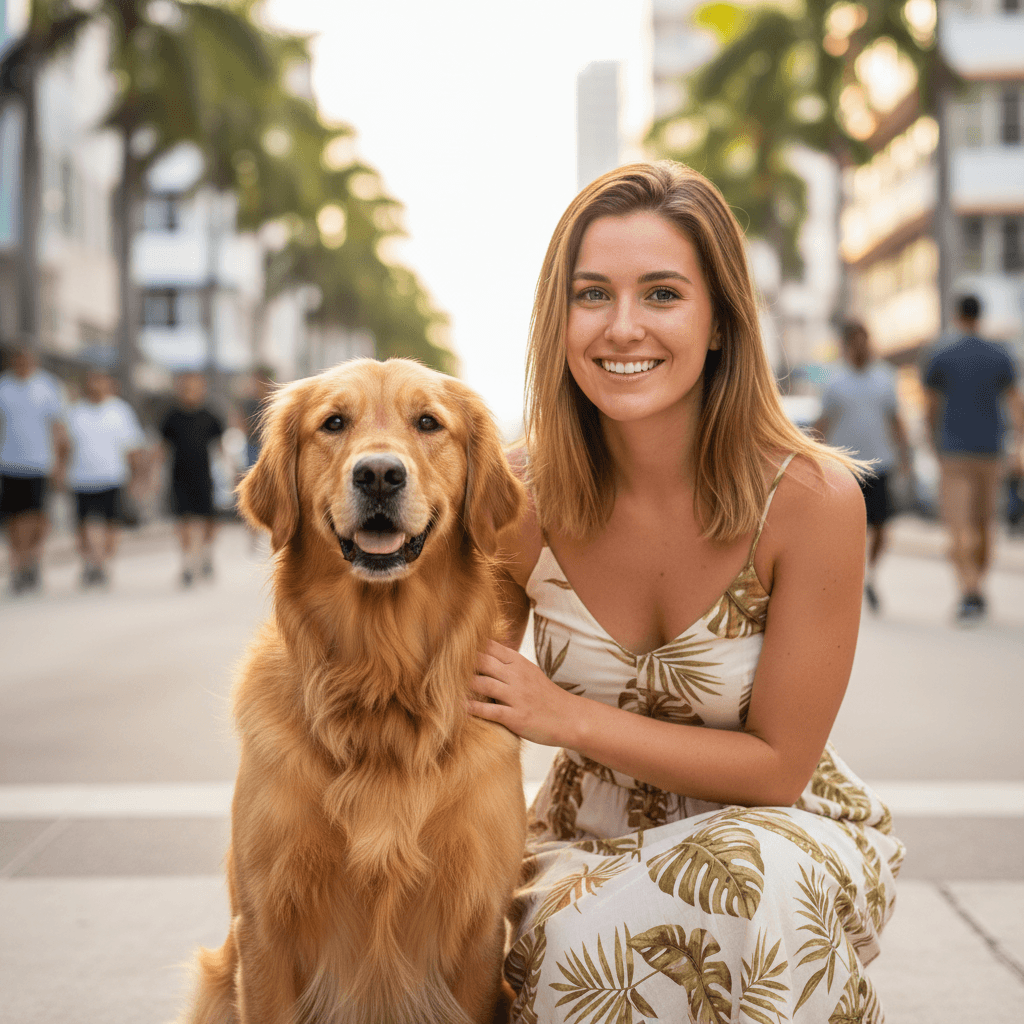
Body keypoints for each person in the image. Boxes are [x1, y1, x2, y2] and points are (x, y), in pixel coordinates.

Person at [468, 162, 904, 1023]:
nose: (622, 327)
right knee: (568, 945)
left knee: (751, 879)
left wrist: (564, 716)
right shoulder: (517, 499)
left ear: (718, 323)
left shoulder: (812, 502)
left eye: (662, 294)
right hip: (587, 844)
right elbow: (448, 682)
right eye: (592, 295)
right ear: (560, 322)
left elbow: (779, 768)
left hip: (783, 836)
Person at [923, 294, 1024, 623]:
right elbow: (1014, 404)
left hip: (953, 451)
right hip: (990, 451)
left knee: (959, 524)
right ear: (980, 315)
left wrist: (931, 443)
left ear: (956, 315)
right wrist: (1019, 442)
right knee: (984, 524)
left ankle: (969, 589)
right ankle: (976, 585)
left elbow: (930, 407)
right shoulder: (999, 355)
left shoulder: (942, 355)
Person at [814, 320, 911, 613]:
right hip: (844, 467)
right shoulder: (834, 382)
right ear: (846, 345)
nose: (861, 346)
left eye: (864, 340)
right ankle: (850, 577)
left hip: (880, 464)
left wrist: (905, 455)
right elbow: (823, 423)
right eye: (855, 340)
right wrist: (814, 456)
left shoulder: (885, 378)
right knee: (847, 528)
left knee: (881, 526)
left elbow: (896, 419)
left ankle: (869, 573)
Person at [65, 369, 148, 587]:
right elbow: (63, 445)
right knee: (83, 525)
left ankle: (103, 562)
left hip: (112, 477)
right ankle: (90, 561)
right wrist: (60, 469)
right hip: (80, 477)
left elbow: (133, 447)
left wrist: (138, 478)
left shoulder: (120, 411)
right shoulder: (75, 412)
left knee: (112, 524)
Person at [0, 346, 68, 593]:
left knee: (36, 517)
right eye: (17, 360)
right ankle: (19, 565)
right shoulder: (4, 387)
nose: (22, 364)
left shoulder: (48, 386)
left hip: (40, 463)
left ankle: (33, 559)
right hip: (9, 463)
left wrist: (60, 464)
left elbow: (58, 427)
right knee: (14, 518)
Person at [160, 371, 225, 587]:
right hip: (179, 475)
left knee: (207, 521)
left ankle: (205, 553)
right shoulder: (172, 416)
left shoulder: (211, 416)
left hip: (205, 476)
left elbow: (221, 447)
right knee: (184, 520)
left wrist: (231, 475)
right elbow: (162, 447)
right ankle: (188, 561)